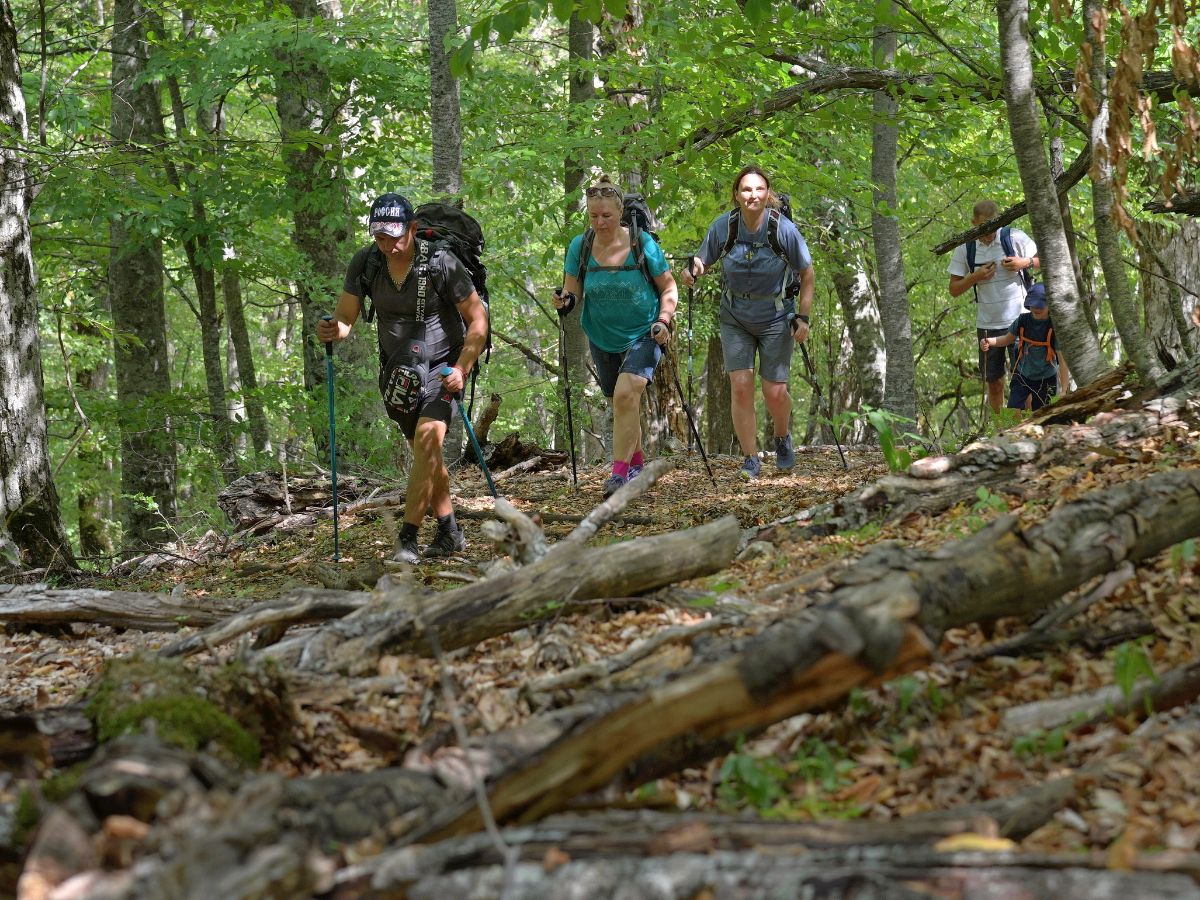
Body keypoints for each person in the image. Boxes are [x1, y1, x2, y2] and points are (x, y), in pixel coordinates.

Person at [316, 193, 489, 562]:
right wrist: (335, 330)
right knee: (426, 456)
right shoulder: (367, 263)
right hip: (398, 374)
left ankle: (407, 539)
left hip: (443, 370)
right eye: (380, 238)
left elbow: (478, 320)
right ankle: (449, 532)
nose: (389, 246)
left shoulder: (441, 262)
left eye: (395, 237)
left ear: (412, 229)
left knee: (428, 443)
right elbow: (347, 316)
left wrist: (461, 368)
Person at [680, 165, 814, 480]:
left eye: (758, 189)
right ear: (736, 194)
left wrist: (804, 318)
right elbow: (702, 260)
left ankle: (782, 437)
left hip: (776, 316)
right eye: (746, 189)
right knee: (740, 386)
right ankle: (750, 459)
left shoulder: (783, 230)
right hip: (735, 316)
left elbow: (807, 274)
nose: (752, 195)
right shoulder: (723, 227)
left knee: (774, 392)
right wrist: (692, 272)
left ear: (767, 194)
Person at [554, 176, 679, 498]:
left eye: (606, 216)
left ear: (620, 212)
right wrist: (565, 301)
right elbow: (573, 290)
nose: (600, 222)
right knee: (622, 402)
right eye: (594, 216)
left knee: (626, 395)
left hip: (645, 330)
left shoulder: (642, 244)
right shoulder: (580, 246)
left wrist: (664, 319)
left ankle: (618, 475)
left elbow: (668, 286)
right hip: (601, 333)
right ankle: (636, 465)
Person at [948, 200, 1040, 413]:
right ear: (973, 223)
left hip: (1020, 321)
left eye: (993, 226)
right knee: (994, 381)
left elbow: (1045, 258)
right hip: (987, 324)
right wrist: (975, 277)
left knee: (1026, 379)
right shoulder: (965, 249)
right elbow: (953, 289)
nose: (989, 233)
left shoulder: (1014, 237)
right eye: (983, 227)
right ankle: (1000, 430)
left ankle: (1029, 428)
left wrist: (1023, 263)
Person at [979, 283, 1069, 412]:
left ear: (1049, 305)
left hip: (1046, 379)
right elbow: (1006, 339)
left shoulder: (1054, 327)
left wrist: (1064, 389)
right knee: (1013, 410)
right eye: (1033, 305)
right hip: (1022, 375)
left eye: (1040, 305)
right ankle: (1010, 431)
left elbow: (1062, 360)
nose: (1036, 309)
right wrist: (990, 341)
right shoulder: (1022, 321)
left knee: (1040, 414)